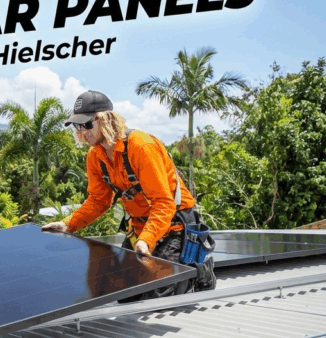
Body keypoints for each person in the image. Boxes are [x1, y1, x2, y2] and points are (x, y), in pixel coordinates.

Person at [42, 90, 215, 298]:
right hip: (140, 227)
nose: (83, 131)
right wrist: (68, 224)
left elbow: (163, 203)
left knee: (158, 298)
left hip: (173, 225)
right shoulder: (95, 156)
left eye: (87, 124)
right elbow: (98, 201)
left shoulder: (141, 146)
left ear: (106, 119)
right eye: (78, 126)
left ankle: (200, 273)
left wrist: (146, 240)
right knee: (124, 295)